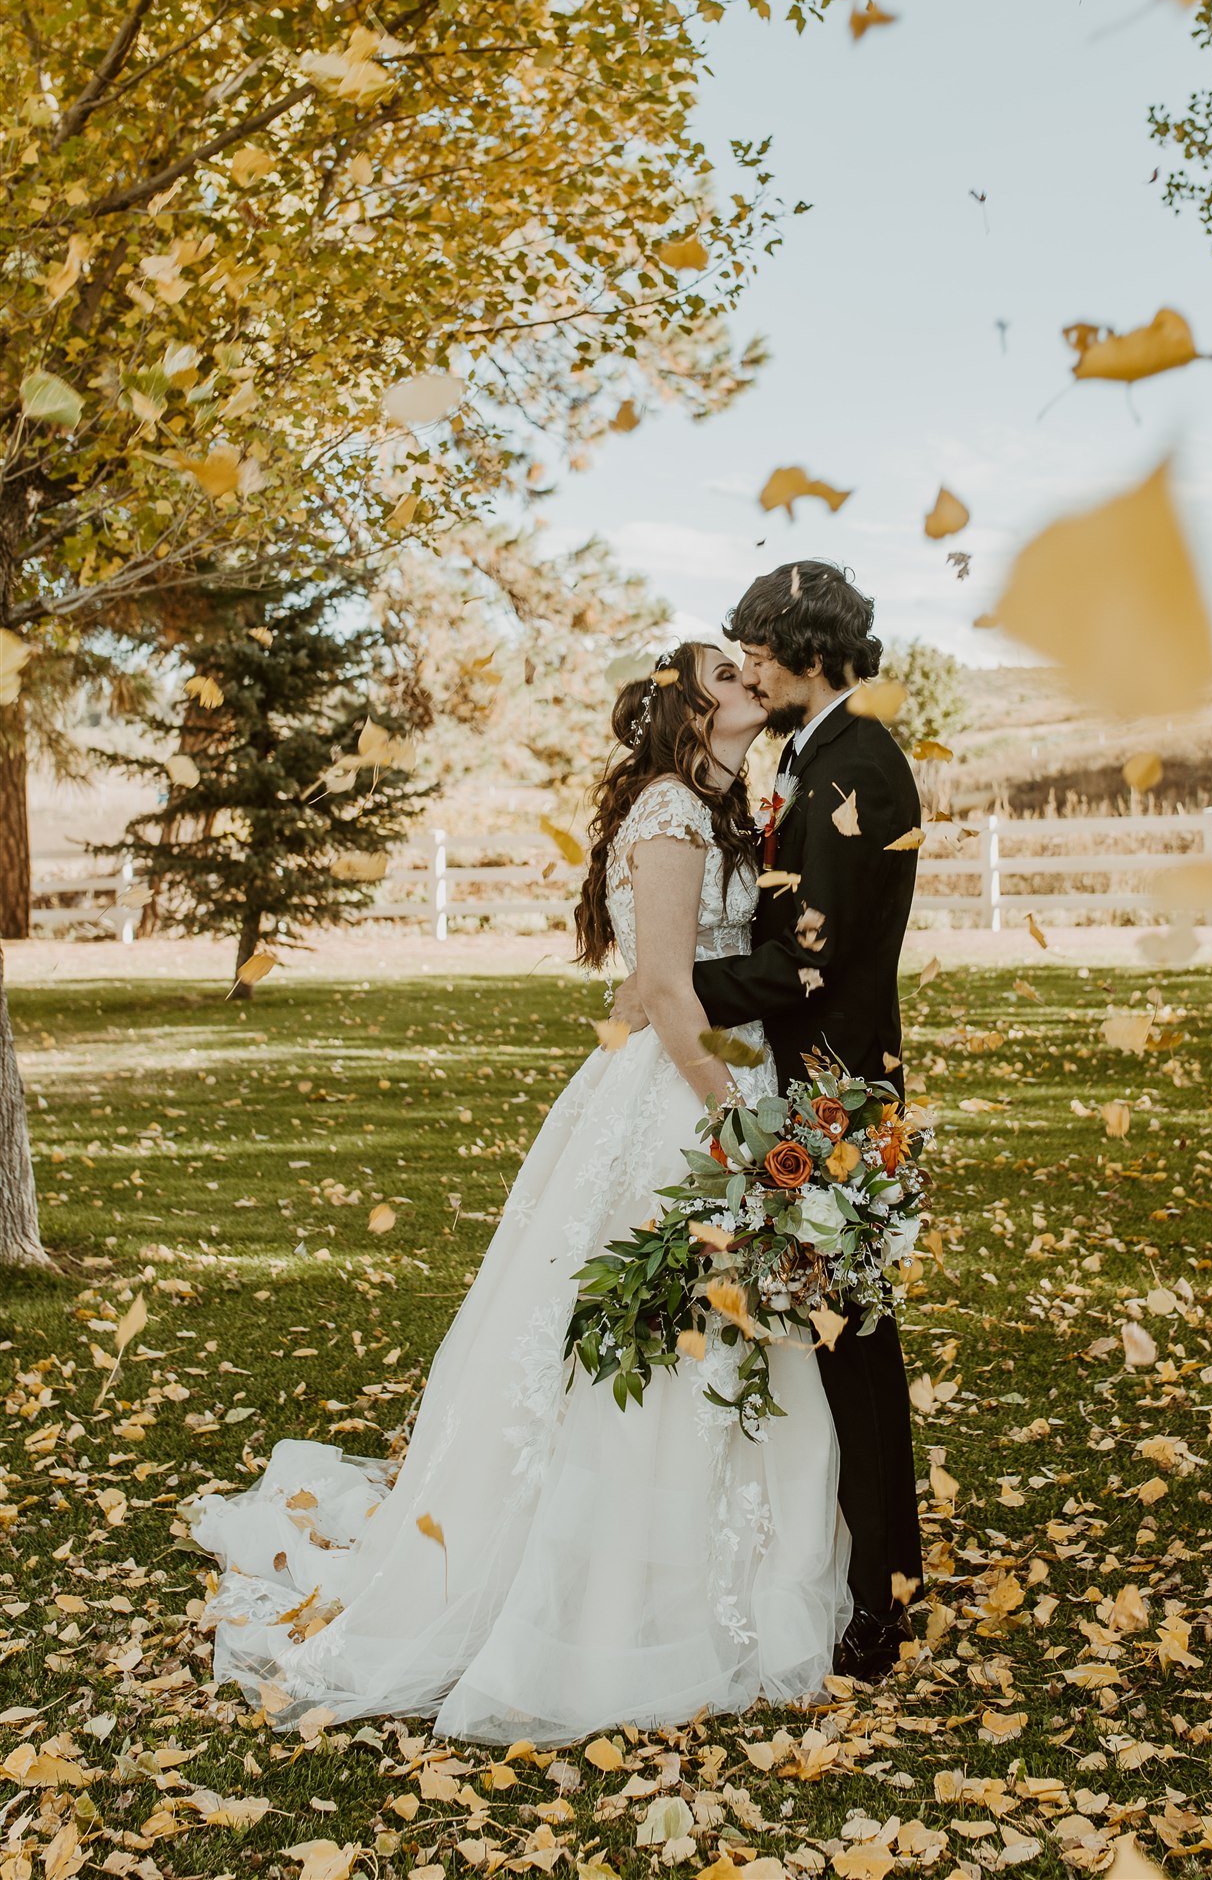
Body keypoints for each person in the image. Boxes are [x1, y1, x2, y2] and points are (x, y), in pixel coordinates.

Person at [183, 642, 849, 1743]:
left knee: (715, 1330)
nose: (751, 684)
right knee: (661, 1327)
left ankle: (708, 1558)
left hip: (709, 1073)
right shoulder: (675, 813)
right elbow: (668, 993)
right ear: (692, 714)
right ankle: (620, 1592)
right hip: (689, 1095)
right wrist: (733, 1123)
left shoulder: (716, 807)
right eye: (728, 677)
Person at [614, 562, 923, 1681]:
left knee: (854, 1343)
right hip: (800, 1085)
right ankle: (870, 1572)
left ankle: (884, 1597)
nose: (750, 672)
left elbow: (807, 962)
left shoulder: (860, 764)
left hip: (834, 1091)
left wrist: (675, 995)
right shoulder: (817, 755)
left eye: (759, 657)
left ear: (811, 655)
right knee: (833, 1341)